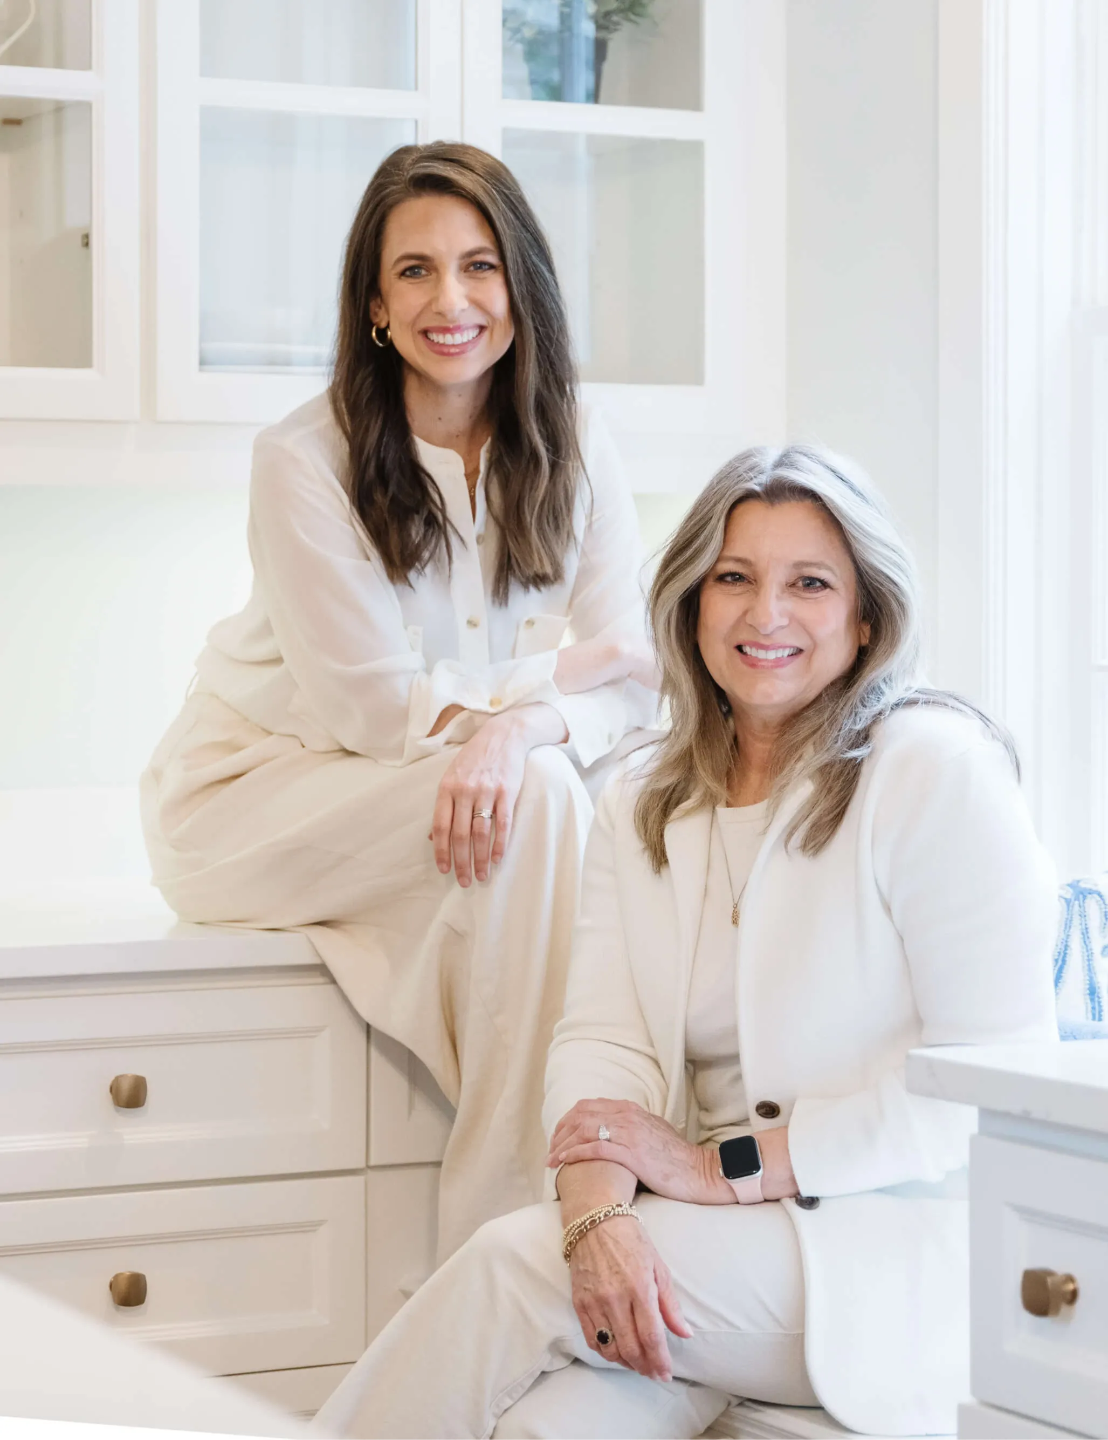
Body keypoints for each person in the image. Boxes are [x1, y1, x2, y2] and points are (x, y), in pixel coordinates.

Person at [312, 445, 1059, 1440]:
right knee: (545, 1429)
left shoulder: (929, 769)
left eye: (810, 584)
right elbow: (600, 1046)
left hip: (885, 1257)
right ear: (690, 601)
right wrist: (596, 1220)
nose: (765, 616)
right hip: (710, 1258)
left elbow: (989, 1087)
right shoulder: (646, 798)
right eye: (734, 578)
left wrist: (723, 1169)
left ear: (866, 614)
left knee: (504, 1270)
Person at [140, 142, 658, 1262]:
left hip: (445, 802)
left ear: (521, 286)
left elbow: (640, 689)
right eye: (414, 271)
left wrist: (520, 724)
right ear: (374, 303)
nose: (451, 300)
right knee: (548, 804)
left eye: (479, 266)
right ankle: (523, 1238)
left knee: (550, 795)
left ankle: (528, 1228)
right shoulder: (304, 458)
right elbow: (373, 714)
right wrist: (552, 682)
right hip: (258, 801)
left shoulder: (576, 442)